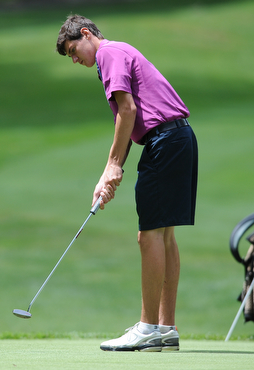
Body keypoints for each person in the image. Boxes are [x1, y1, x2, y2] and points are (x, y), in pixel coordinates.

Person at [56, 15, 198, 352]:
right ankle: (165, 328)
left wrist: (112, 165)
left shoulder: (108, 53)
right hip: (177, 139)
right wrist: (114, 168)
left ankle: (148, 327)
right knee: (164, 234)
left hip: (165, 142)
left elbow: (128, 109)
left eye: (73, 50)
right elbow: (133, 114)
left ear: (86, 34)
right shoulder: (117, 54)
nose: (75, 60)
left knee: (149, 235)